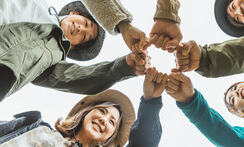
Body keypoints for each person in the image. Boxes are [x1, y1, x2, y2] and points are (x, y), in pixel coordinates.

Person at [0, 0, 148, 102]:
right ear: (75, 13)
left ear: (73, 47)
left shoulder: (52, 57)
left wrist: (122, 67)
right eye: (86, 24)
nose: (81, 29)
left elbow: (81, 78)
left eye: (84, 37)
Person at [0, 67, 168, 146]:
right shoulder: (35, 126)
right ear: (85, 113)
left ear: (111, 139)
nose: (103, 120)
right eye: (102, 111)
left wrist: (151, 101)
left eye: (112, 123)